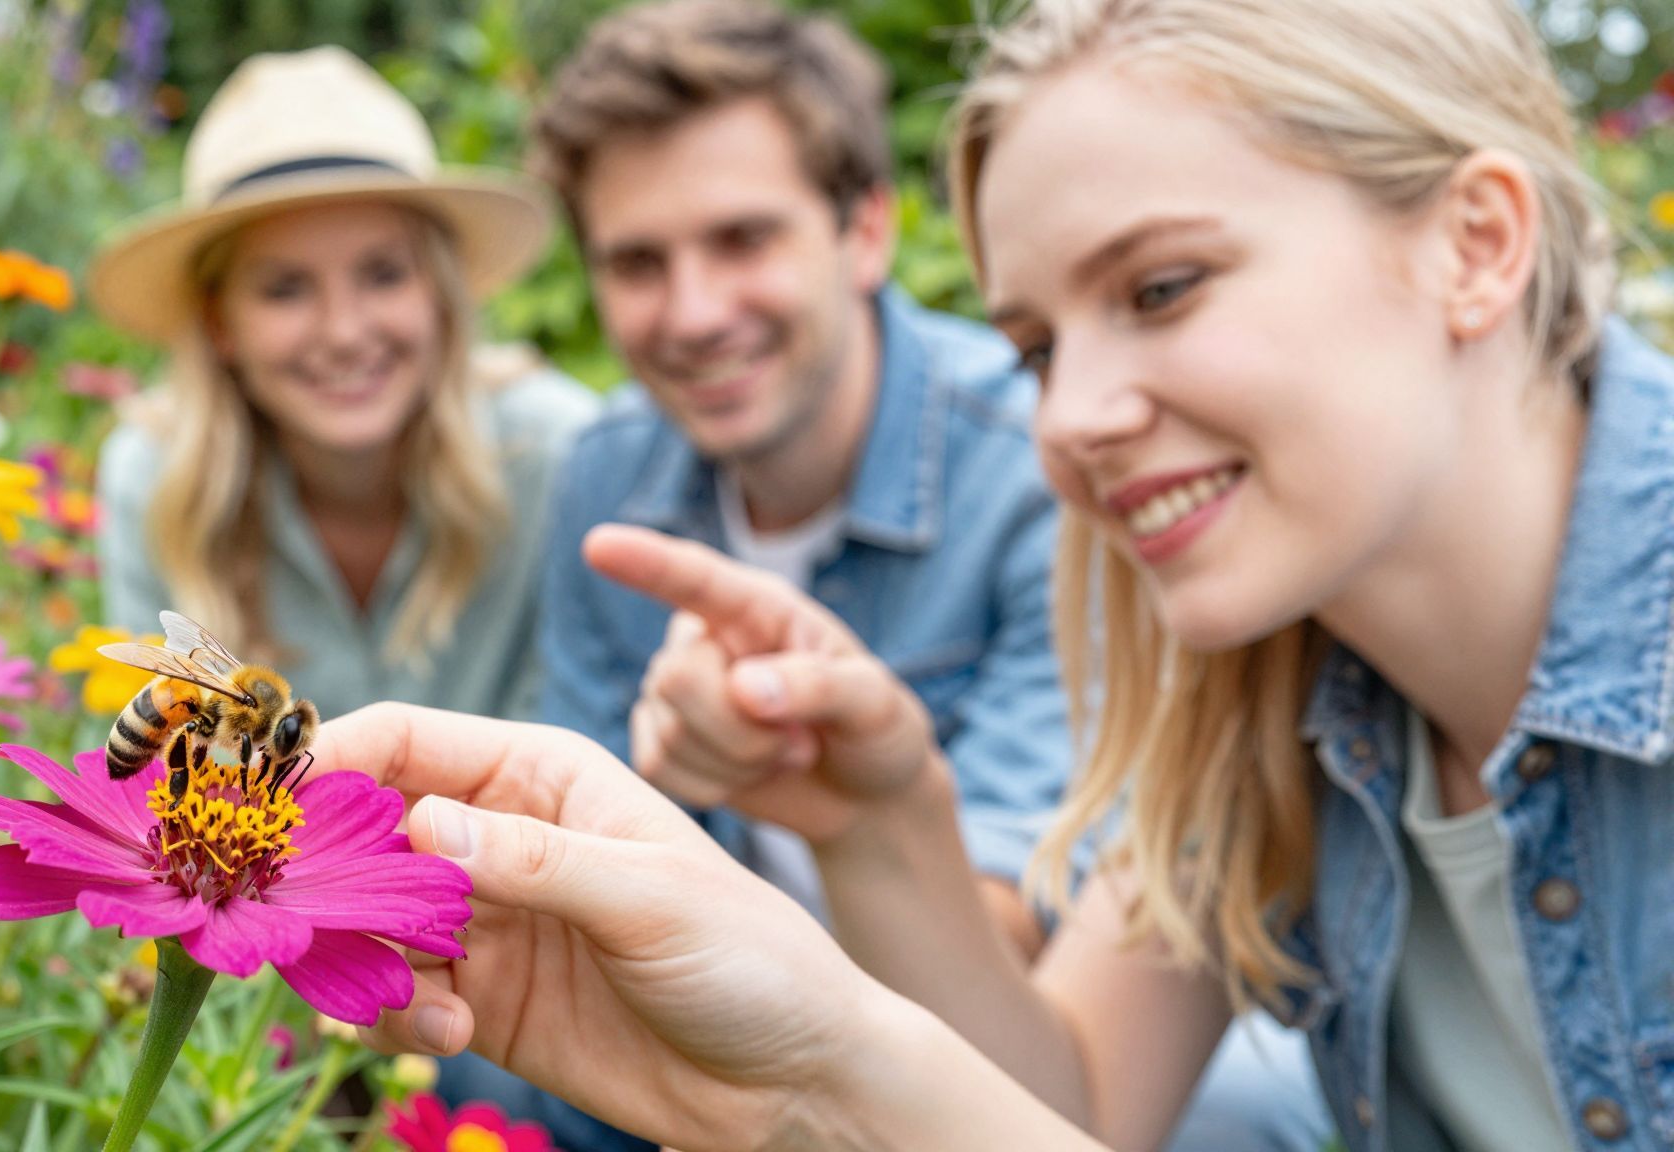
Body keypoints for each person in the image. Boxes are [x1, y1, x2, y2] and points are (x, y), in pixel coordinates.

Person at [314, 0, 1674, 1149]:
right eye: (1033, 348)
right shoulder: (1260, 686)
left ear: (1477, 243)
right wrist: (878, 820)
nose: (1071, 419)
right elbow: (1064, 1105)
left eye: (1159, 289)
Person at [438, 2, 1325, 1149]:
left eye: (741, 239)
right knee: (471, 1055)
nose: (694, 312)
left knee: (1235, 1114)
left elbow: (1025, 952)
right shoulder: (605, 481)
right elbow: (579, 895)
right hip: (707, 1010)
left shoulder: (1043, 465)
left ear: (862, 230)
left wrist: (832, 794)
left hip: (970, 1028)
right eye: (638, 263)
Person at [90, 47, 597, 721]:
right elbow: (161, 751)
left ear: (440, 294)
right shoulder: (157, 481)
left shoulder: (558, 453)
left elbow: (591, 742)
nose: (344, 332)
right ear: (220, 322)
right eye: (285, 288)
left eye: (384, 273)